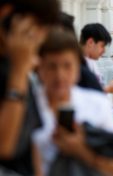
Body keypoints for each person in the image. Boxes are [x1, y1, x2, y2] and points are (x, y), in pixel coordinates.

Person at [33, 28, 113, 176]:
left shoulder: (96, 104)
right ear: (39, 68)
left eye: (67, 66)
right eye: (52, 66)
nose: (59, 75)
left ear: (77, 69)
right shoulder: (27, 105)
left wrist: (80, 150)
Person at [0, 0, 60, 175]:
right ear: (7, 14)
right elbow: (4, 146)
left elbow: (31, 144)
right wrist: (19, 72)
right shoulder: (17, 69)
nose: (41, 37)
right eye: (38, 26)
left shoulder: (15, 64)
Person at [80, 23, 113, 93]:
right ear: (90, 42)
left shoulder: (91, 62)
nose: (104, 51)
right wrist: (108, 89)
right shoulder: (77, 66)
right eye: (102, 46)